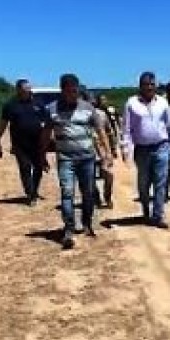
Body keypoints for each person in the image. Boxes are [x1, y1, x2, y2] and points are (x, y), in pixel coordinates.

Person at [40, 74, 112, 249]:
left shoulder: (88, 108)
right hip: (66, 158)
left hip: (87, 158)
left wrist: (107, 153)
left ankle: (87, 223)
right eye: (70, 91)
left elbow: (100, 131)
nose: (73, 94)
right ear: (62, 90)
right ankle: (69, 229)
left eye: (76, 91)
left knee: (88, 193)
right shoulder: (52, 109)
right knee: (67, 192)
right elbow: (45, 134)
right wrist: (41, 154)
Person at [122, 71, 170, 229]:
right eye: (146, 84)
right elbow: (126, 129)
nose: (149, 87)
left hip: (162, 146)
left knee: (161, 182)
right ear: (140, 86)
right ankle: (146, 210)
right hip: (142, 150)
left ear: (156, 86)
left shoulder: (162, 102)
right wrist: (126, 150)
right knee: (144, 183)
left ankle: (158, 215)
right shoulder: (131, 103)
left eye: (152, 84)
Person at [0, 79, 46, 206]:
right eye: (25, 90)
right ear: (18, 90)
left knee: (39, 168)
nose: (28, 92)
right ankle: (30, 193)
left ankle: (34, 189)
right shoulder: (10, 105)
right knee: (25, 167)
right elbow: (3, 124)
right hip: (19, 144)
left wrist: (48, 140)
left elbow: (46, 122)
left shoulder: (38, 103)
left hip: (36, 143)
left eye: (29, 89)